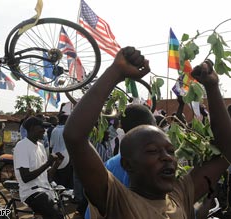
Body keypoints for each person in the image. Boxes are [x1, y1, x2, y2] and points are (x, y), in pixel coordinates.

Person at [63, 46, 231, 218]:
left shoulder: (180, 196)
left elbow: (226, 152)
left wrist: (212, 87)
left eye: (171, 151)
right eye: (152, 151)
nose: (167, 157)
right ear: (127, 164)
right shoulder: (117, 202)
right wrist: (116, 71)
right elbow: (75, 137)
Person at [13, 116, 64, 219]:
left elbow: (47, 176)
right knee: (57, 216)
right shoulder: (22, 146)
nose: (44, 130)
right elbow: (25, 177)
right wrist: (48, 164)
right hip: (31, 192)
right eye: (41, 127)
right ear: (32, 128)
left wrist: (56, 164)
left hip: (45, 189)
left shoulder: (40, 146)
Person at [50, 113, 73, 188]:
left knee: (57, 181)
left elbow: (51, 146)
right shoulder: (68, 130)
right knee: (65, 182)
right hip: (66, 157)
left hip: (55, 158)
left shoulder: (54, 130)